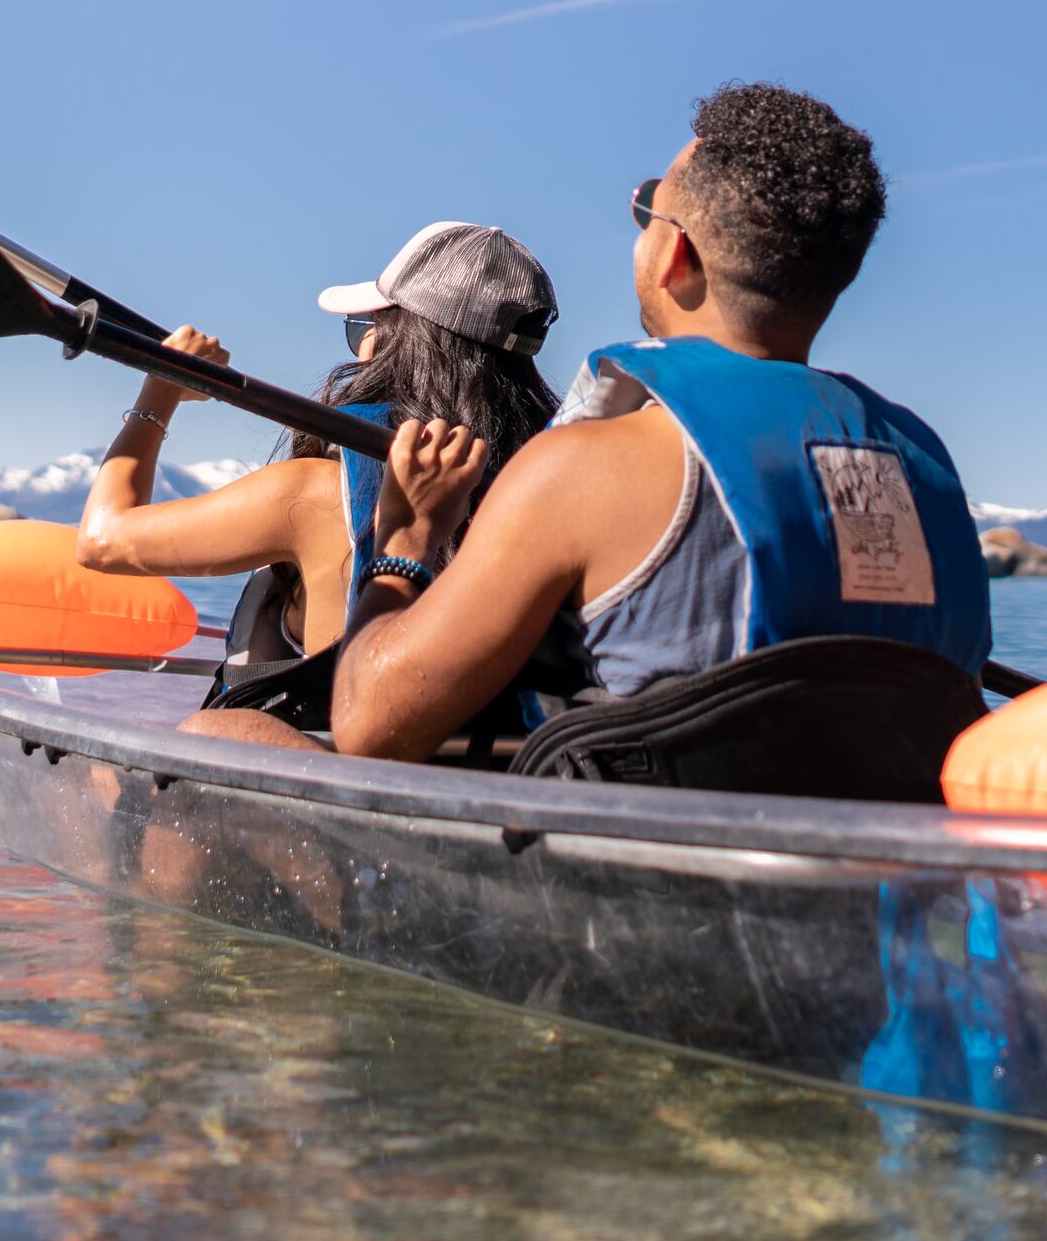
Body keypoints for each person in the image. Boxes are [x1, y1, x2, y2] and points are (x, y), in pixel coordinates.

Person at [329, 83, 989, 772]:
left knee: (236, 737)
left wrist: (407, 538)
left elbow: (369, 723)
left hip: (628, 875)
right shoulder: (928, 474)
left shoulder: (582, 470)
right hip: (869, 874)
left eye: (648, 207)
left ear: (676, 254)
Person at [75, 222, 560, 745]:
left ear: (394, 341)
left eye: (363, 326)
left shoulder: (314, 494)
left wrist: (159, 394)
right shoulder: (552, 487)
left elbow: (103, 540)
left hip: (336, 805)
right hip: (494, 786)